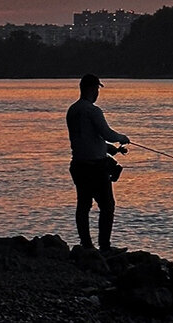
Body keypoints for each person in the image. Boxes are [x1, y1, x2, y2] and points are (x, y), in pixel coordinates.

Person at [66, 73, 129, 254]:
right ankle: (105, 247)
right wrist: (122, 138)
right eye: (96, 89)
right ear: (91, 89)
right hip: (95, 167)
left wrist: (112, 149)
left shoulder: (72, 110)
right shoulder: (93, 111)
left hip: (78, 165)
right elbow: (107, 134)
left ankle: (86, 246)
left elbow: (89, 139)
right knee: (107, 206)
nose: (97, 94)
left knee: (83, 205)